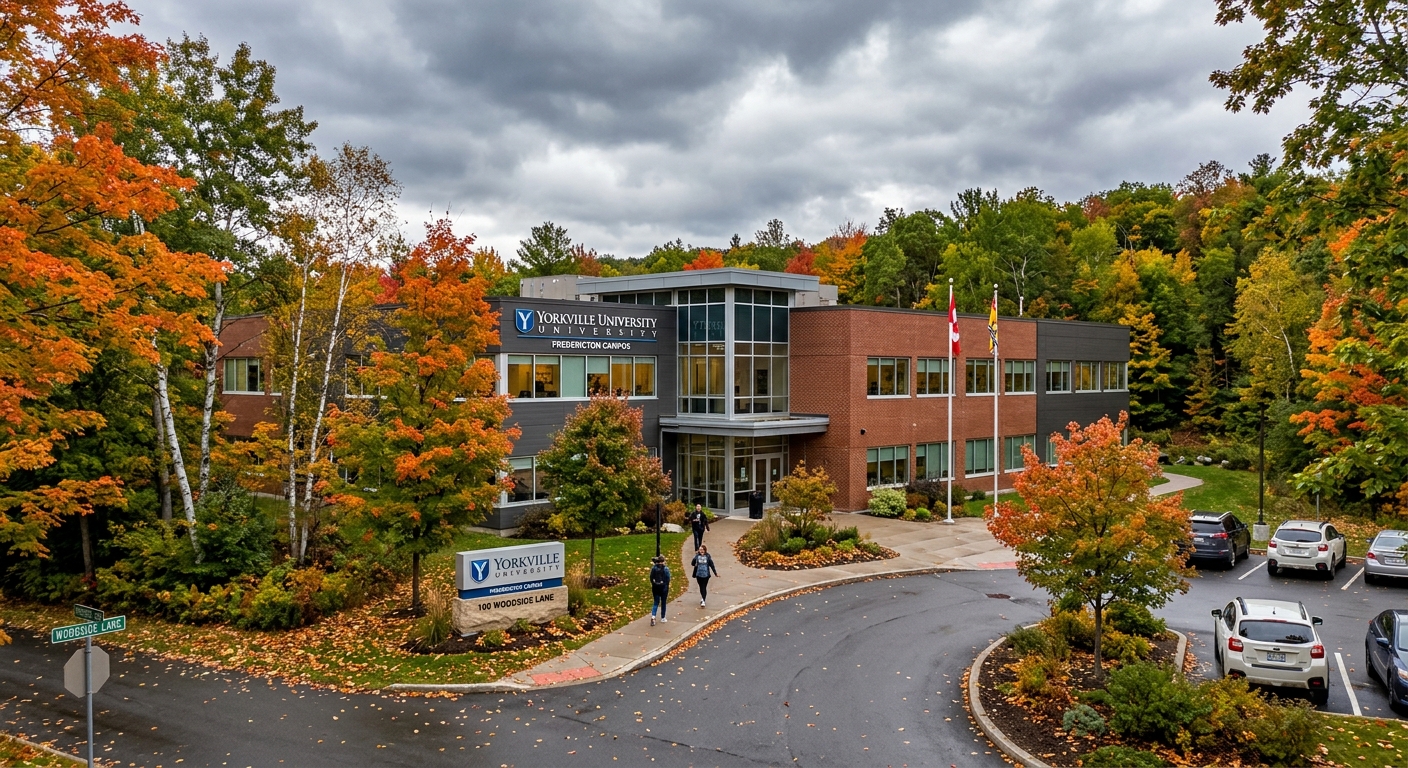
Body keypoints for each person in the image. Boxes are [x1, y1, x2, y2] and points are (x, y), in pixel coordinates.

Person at [649, 555, 670, 626]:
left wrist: (654, 583)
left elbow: (651, 577)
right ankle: (663, 617)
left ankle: (653, 616)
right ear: (663, 561)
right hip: (664, 588)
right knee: (663, 602)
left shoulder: (654, 568)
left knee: (655, 602)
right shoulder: (666, 569)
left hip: (655, 587)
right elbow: (668, 578)